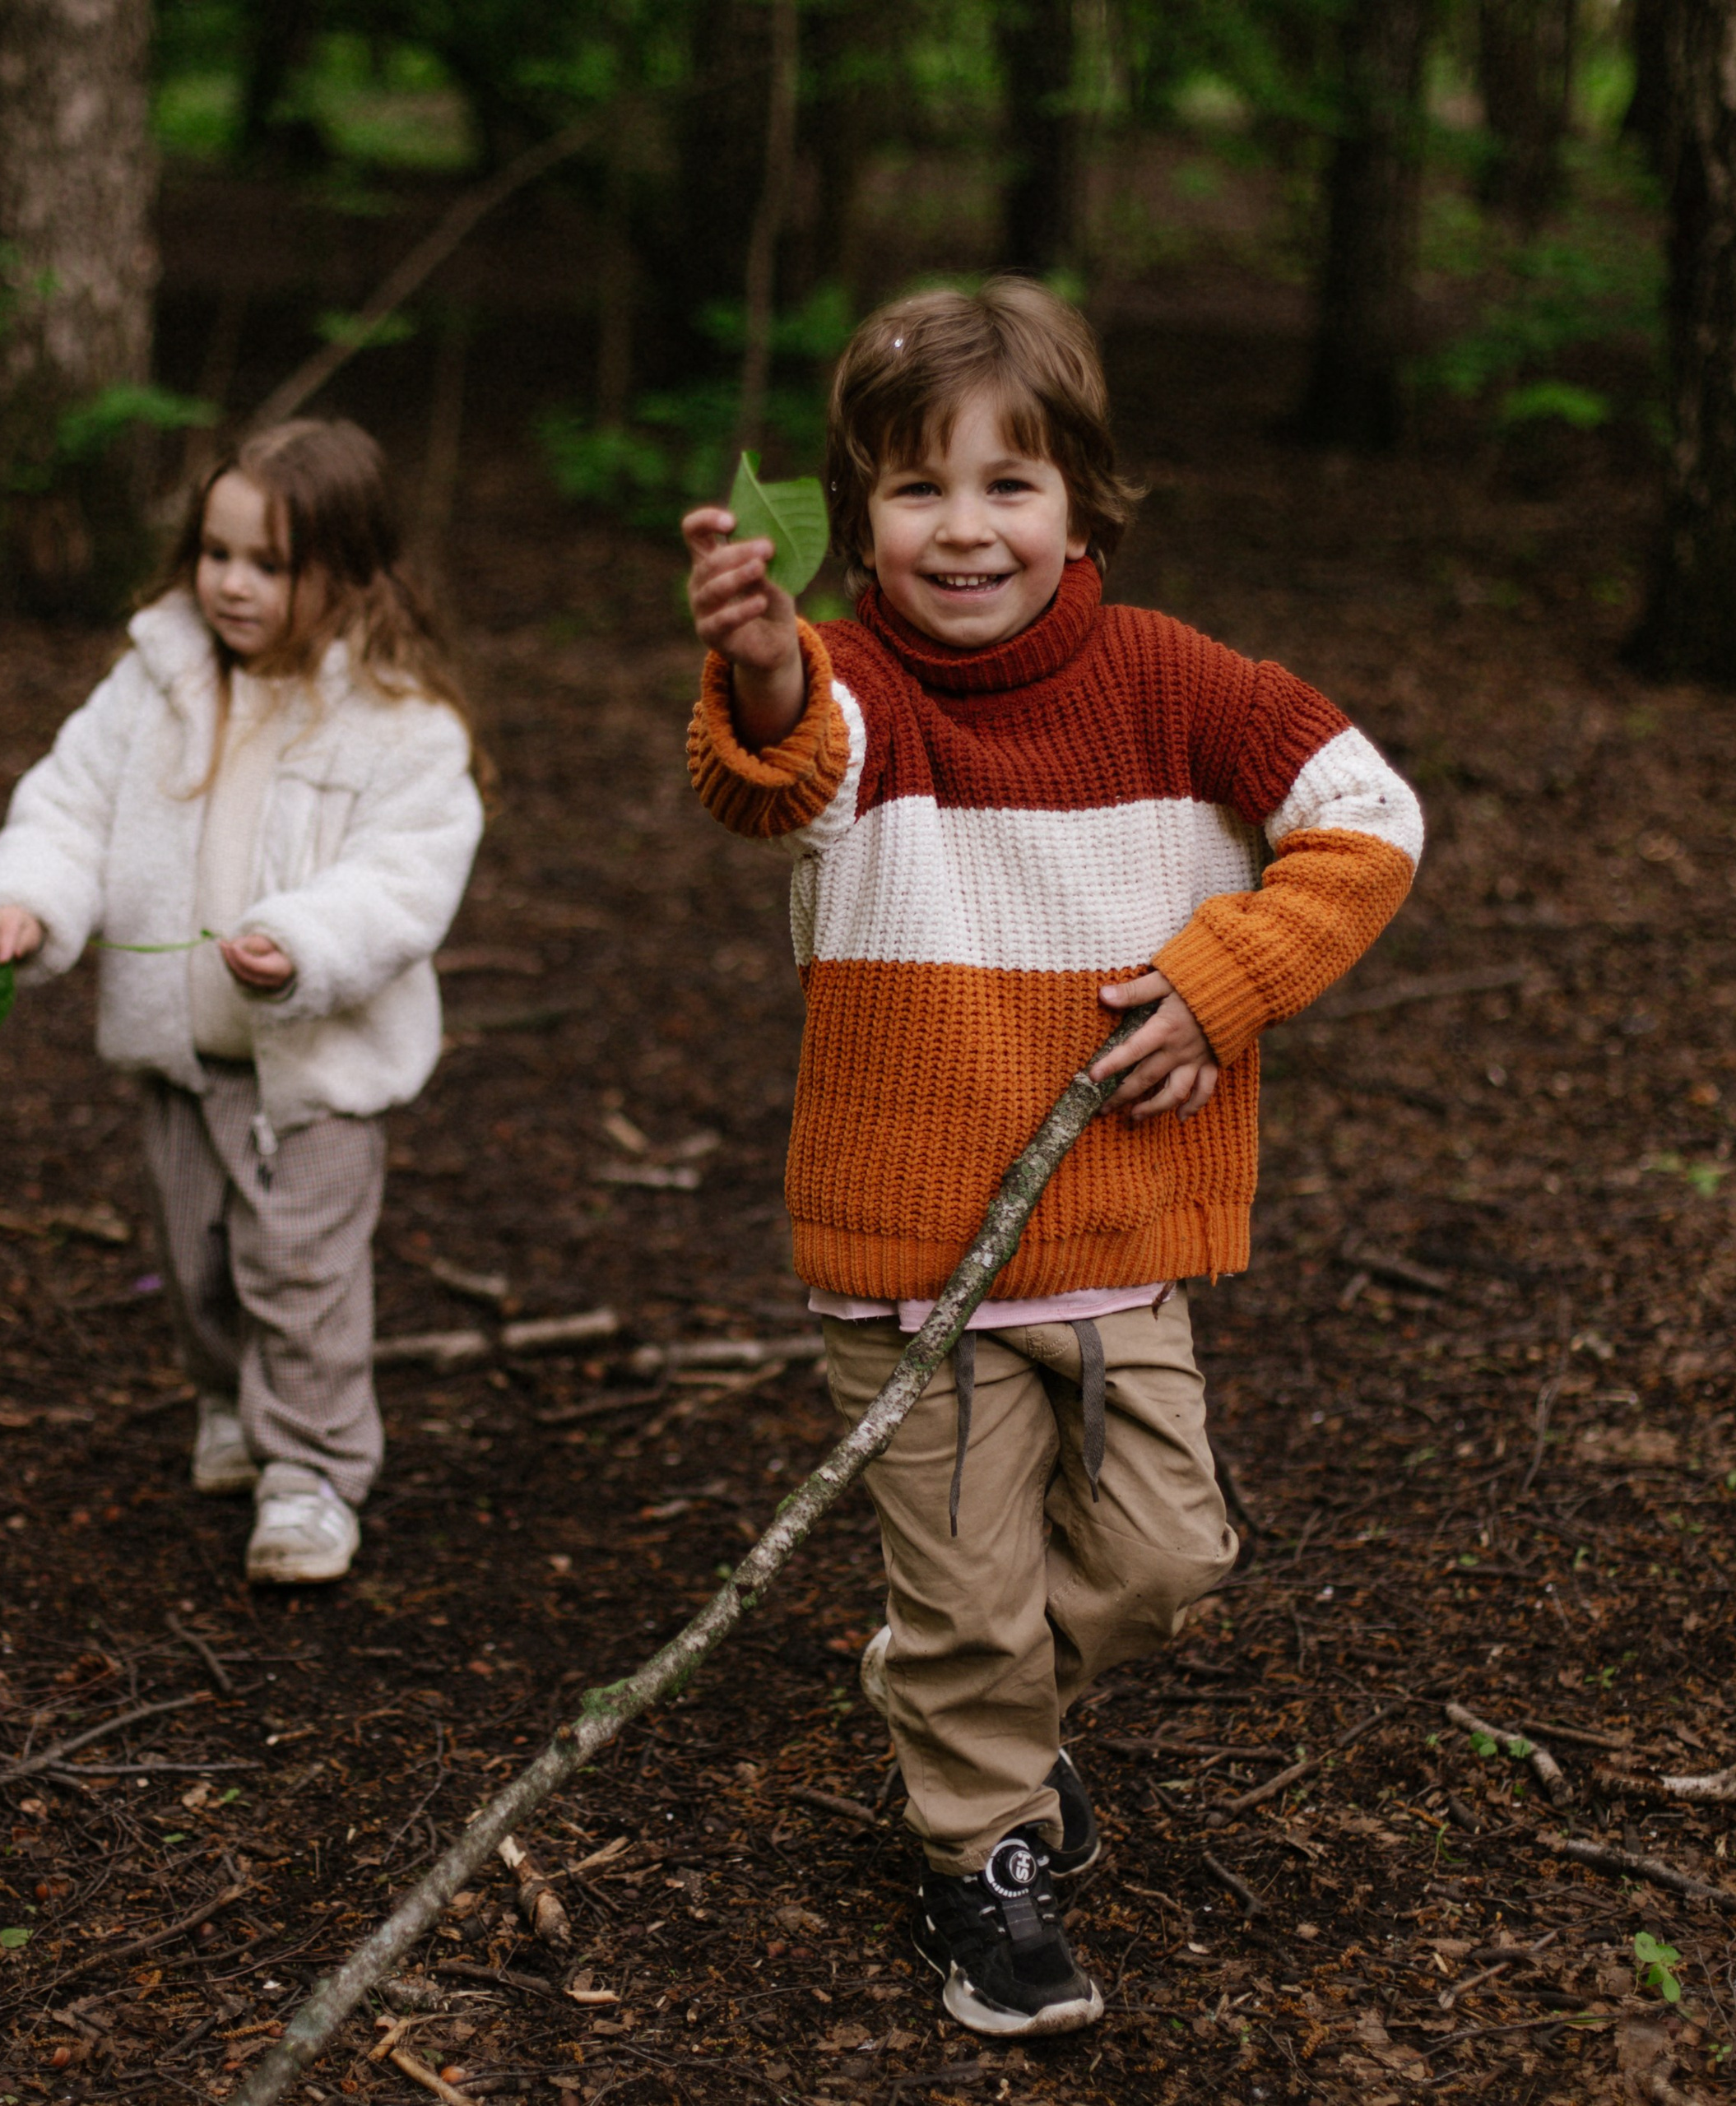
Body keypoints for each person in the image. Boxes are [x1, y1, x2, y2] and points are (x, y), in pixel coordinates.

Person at [681, 280, 1420, 2036]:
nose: (962, 528)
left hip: (1116, 1235)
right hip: (912, 1268)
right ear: (855, 516)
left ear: (1081, 498)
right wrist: (763, 653)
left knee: (1171, 1558)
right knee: (965, 1591)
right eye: (915, 489)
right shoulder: (849, 687)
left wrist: (1224, 979)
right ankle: (979, 1861)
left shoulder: (1179, 682)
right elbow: (774, 774)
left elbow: (1368, 816)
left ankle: (967, 1711)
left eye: (1007, 484)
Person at [0, 419, 482, 1585]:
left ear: (348, 574)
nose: (232, 584)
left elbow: (406, 880)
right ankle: (229, 1405)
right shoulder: (156, 683)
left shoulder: (401, 724)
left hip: (316, 1072)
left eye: (270, 563)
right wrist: (29, 904)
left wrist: (300, 942)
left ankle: (312, 1471)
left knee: (298, 1271)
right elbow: (69, 807)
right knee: (196, 1262)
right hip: (179, 1053)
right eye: (217, 552)